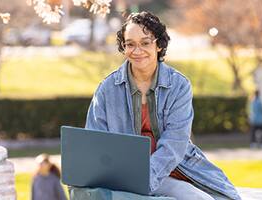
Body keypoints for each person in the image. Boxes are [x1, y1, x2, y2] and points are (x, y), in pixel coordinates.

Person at [86, 11, 240, 200]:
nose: (137, 50)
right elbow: (94, 142)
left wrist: (142, 181)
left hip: (176, 171)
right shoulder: (107, 89)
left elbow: (174, 145)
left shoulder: (179, 86)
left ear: (158, 45)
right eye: (130, 44)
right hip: (123, 176)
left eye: (145, 43)